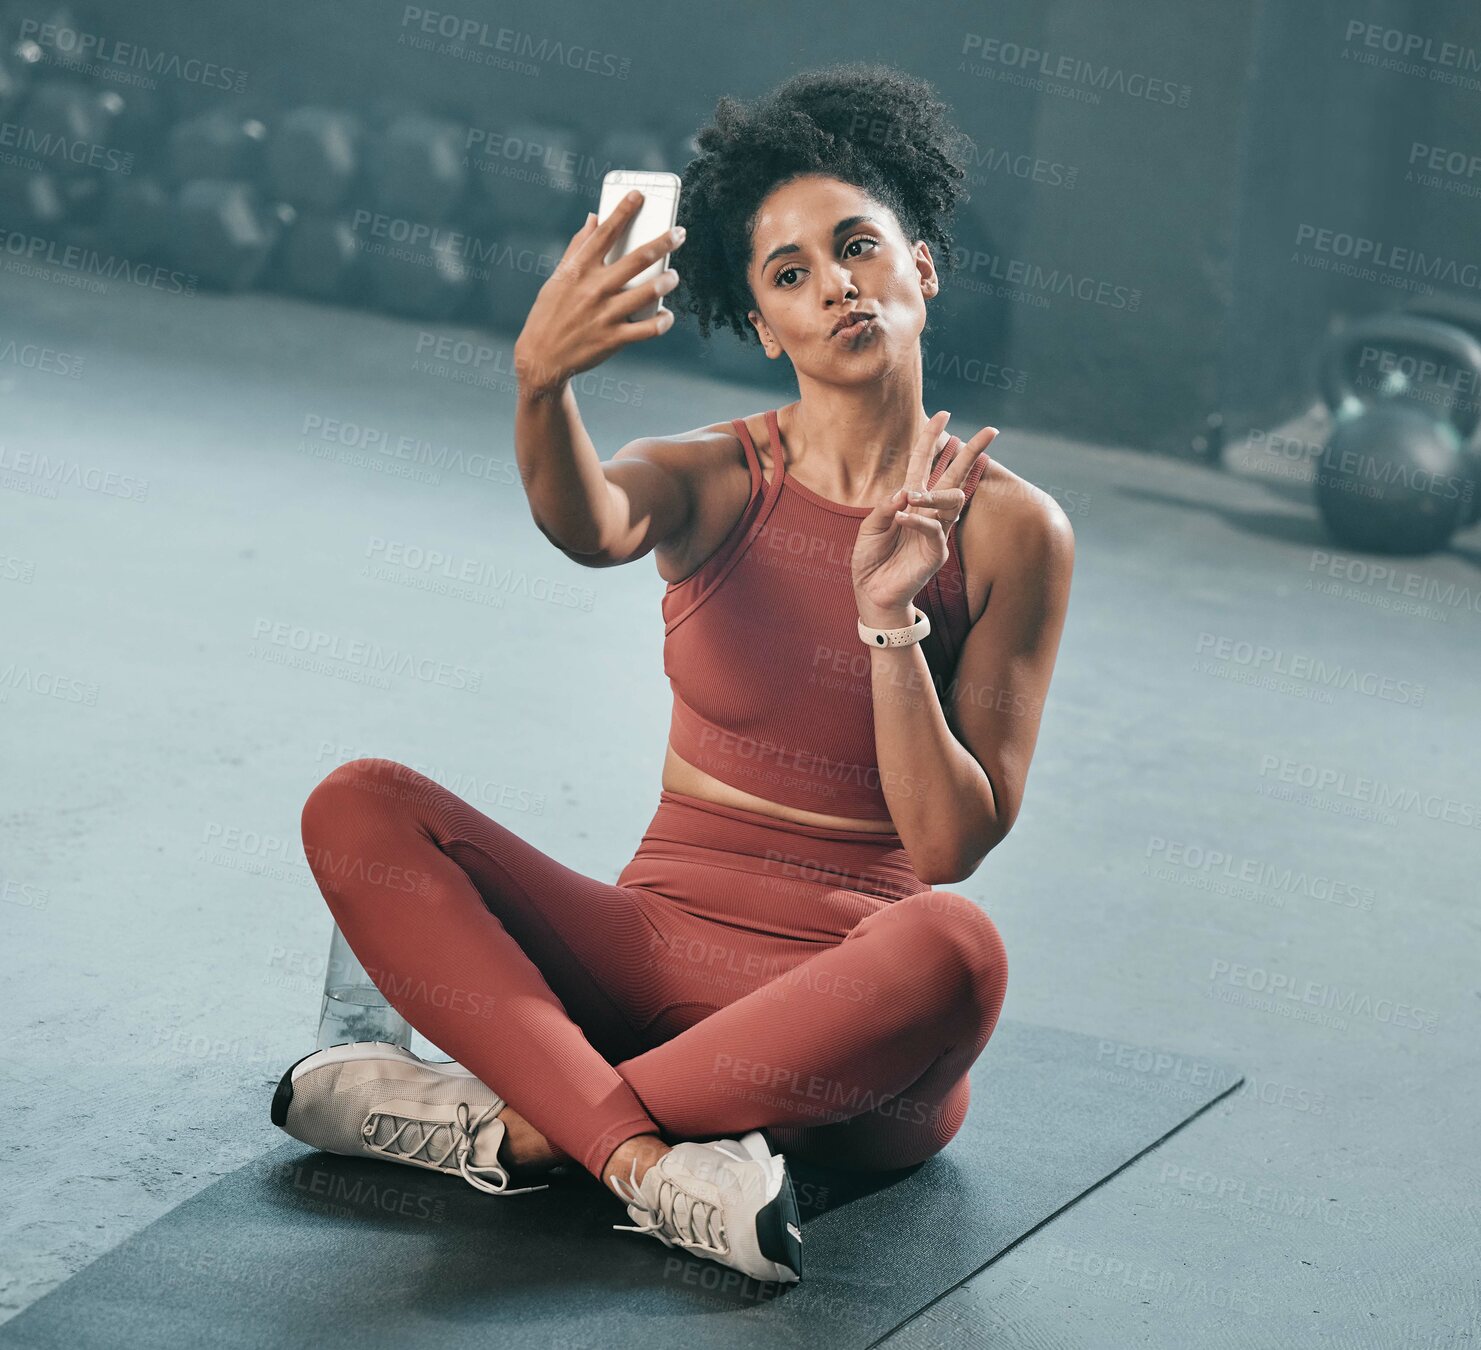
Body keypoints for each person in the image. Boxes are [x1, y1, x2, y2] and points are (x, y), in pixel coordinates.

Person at [271, 61, 1074, 1287]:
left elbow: (951, 843)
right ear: (761, 326)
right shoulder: (709, 474)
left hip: (838, 1034)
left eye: (859, 247)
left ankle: (519, 1128)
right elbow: (584, 522)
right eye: (789, 274)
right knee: (358, 802)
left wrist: (888, 620)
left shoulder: (1013, 531)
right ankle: (647, 1165)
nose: (835, 287)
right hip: (638, 956)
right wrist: (541, 385)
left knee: (957, 946)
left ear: (923, 263)